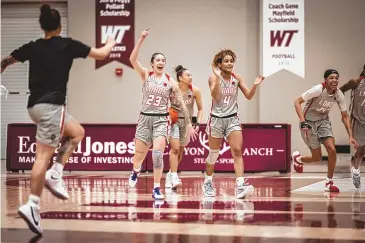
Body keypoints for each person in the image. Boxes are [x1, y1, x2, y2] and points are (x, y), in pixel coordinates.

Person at [1, 4, 115, 235]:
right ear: (60, 25)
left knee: (77, 133)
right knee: (42, 156)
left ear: (42, 26)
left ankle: (56, 172)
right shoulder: (67, 45)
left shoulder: (33, 47)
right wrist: (112, 41)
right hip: (52, 107)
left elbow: (5, 62)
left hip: (35, 106)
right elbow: (102, 54)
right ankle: (32, 204)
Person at [128, 28, 197, 199]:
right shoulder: (145, 74)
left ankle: (157, 188)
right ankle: (135, 170)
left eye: (163, 60)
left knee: (157, 154)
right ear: (152, 63)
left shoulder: (170, 82)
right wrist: (141, 39)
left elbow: (181, 104)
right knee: (139, 155)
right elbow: (132, 59)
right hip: (144, 119)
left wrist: (188, 123)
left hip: (161, 120)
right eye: (158, 60)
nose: (161, 62)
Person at [203, 49, 264, 199]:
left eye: (231, 61)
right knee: (213, 154)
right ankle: (208, 181)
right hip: (216, 119)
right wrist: (217, 78)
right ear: (219, 64)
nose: (230, 63)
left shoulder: (237, 78)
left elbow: (249, 96)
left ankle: (240, 185)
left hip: (232, 119)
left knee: (237, 150)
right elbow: (216, 96)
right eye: (226, 61)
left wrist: (255, 85)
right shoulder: (213, 78)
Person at [292, 69, 357, 192]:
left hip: (323, 122)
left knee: (332, 150)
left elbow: (345, 116)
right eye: (331, 78)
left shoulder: (339, 94)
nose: (334, 80)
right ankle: (298, 159)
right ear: (326, 80)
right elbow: (297, 102)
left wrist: (351, 136)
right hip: (308, 123)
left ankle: (329, 182)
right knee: (317, 158)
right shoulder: (318, 89)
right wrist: (302, 121)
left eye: (336, 78)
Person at [165, 65, 203, 189]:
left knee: (180, 151)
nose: (191, 77)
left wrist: (196, 122)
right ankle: (174, 176)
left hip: (187, 123)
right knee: (175, 149)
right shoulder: (172, 89)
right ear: (180, 78)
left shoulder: (195, 91)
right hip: (174, 121)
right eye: (188, 75)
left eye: (191, 75)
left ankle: (171, 174)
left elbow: (201, 109)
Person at [339, 65, 365, 189]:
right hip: (359, 120)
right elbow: (341, 90)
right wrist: (342, 106)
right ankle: (355, 171)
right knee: (361, 151)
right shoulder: (356, 82)